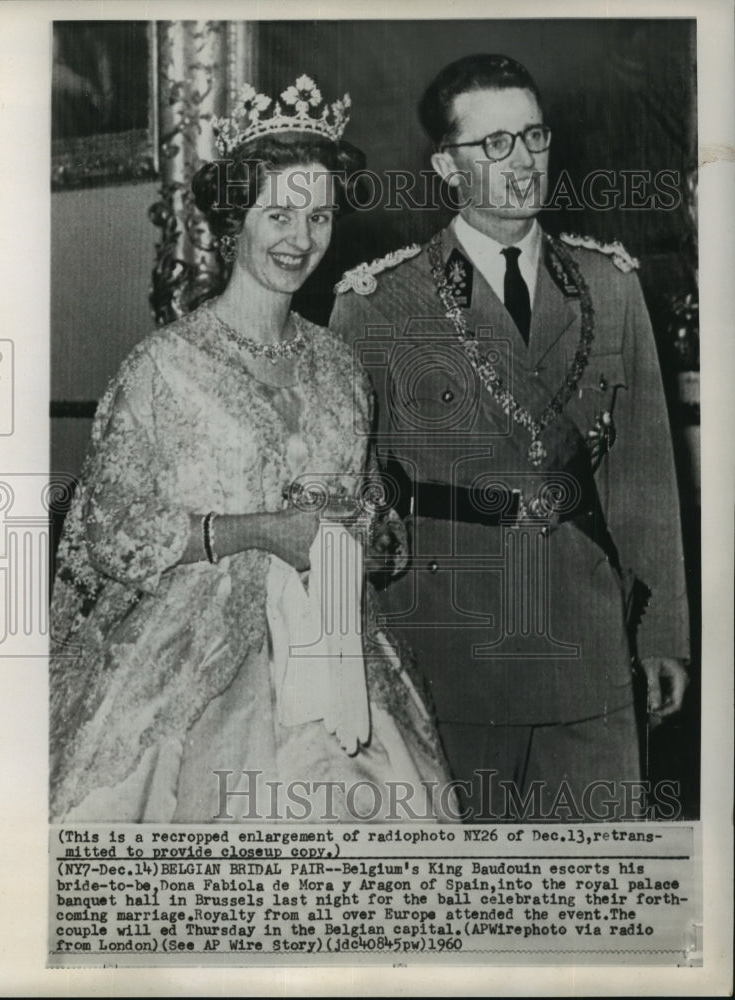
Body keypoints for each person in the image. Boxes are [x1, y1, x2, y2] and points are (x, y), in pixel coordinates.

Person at [49, 77, 453, 824]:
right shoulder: (164, 367)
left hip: (333, 647)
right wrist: (258, 531)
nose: (300, 237)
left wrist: (370, 537)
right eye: (278, 213)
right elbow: (109, 534)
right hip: (192, 660)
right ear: (233, 220)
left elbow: (370, 509)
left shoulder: (338, 365)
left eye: (319, 215)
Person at [330, 54, 690, 821]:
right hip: (451, 651)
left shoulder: (610, 286)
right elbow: (354, 503)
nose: (522, 162)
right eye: (494, 144)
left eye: (532, 137)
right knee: (467, 909)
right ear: (445, 167)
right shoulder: (379, 304)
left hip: (591, 648)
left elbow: (644, 476)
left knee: (595, 898)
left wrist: (663, 636)